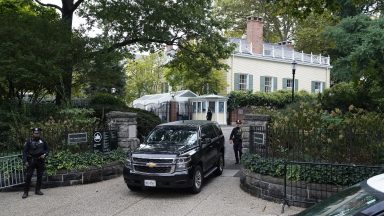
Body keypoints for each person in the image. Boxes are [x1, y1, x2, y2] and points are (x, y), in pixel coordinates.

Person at [22, 127, 49, 199]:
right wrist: (25, 161)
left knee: (40, 176)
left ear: (39, 133)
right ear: (33, 133)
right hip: (31, 160)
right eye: (35, 133)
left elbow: (47, 150)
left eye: (38, 133)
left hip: (40, 160)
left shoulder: (43, 140)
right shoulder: (29, 141)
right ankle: (25, 192)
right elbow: (25, 152)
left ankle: (37, 190)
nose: (36, 134)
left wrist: (45, 155)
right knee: (28, 176)